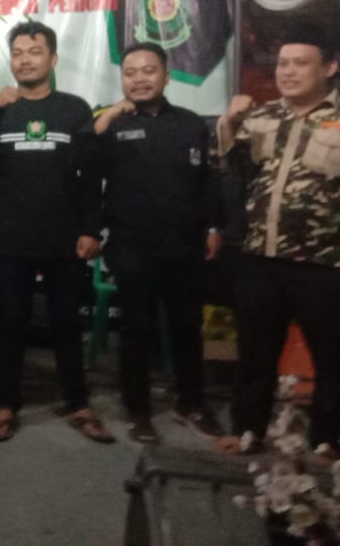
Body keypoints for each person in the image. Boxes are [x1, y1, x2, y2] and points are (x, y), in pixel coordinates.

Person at [215, 26, 340, 456]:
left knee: (331, 360)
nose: (289, 72)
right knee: (254, 355)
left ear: (329, 68)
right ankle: (248, 431)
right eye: (283, 64)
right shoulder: (261, 117)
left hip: (327, 264)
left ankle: (330, 443)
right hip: (261, 259)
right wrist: (229, 124)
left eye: (301, 63)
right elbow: (229, 171)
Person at [0, 21, 113, 444]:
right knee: (11, 323)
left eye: (34, 52)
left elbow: (91, 175)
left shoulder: (73, 109)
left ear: (52, 59)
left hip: (64, 236)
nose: (25, 60)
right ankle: (7, 404)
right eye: (18, 53)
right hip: (12, 238)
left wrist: (91, 228)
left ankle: (78, 403)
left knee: (65, 324)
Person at [95, 42, 223, 443]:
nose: (139, 79)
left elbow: (208, 183)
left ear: (166, 76)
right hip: (132, 247)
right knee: (136, 332)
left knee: (187, 329)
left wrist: (213, 227)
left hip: (185, 247)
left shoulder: (191, 124)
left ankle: (191, 403)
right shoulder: (110, 125)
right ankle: (137, 410)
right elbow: (80, 165)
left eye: (148, 70)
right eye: (130, 72)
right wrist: (107, 117)